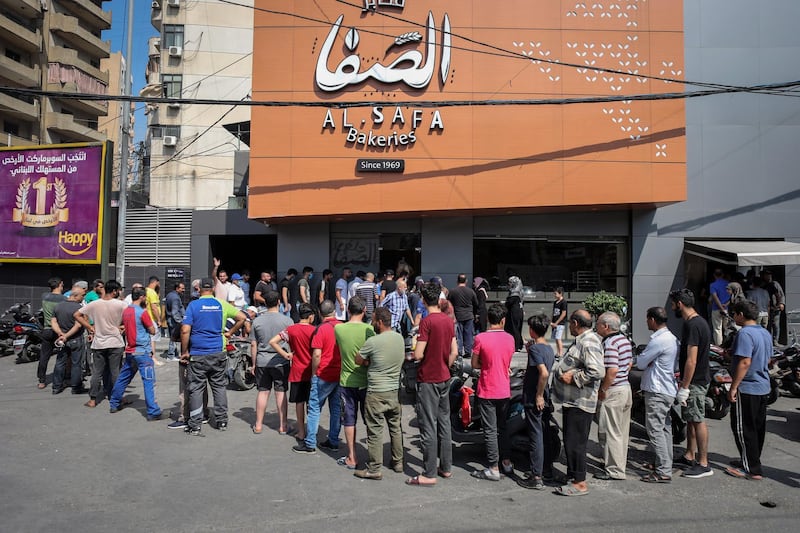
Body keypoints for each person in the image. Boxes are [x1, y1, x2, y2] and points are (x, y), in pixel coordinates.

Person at [406, 283, 458, 487]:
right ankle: (446, 467)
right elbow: (454, 350)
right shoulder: (448, 321)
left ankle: (428, 473)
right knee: (444, 423)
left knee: (428, 425)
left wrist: (412, 355)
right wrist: (446, 365)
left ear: (423, 300)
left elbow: (418, 354)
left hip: (428, 378)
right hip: (445, 377)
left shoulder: (427, 322)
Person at [181, 277, 246, 436]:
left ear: (199, 289)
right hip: (218, 351)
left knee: (196, 388)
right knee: (219, 387)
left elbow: (184, 330)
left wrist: (184, 351)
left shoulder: (193, 305)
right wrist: (230, 333)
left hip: (198, 353)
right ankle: (222, 420)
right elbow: (242, 318)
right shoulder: (221, 304)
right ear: (213, 290)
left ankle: (195, 424)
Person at [551, 309, 605, 496]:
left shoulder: (589, 341)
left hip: (581, 402)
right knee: (571, 441)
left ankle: (580, 482)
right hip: (572, 400)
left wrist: (575, 378)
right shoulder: (582, 340)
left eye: (570, 324)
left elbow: (597, 371)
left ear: (575, 323)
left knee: (576, 443)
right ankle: (572, 476)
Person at [353, 307, 405, 480]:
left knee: (374, 430)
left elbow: (358, 359)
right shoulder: (399, 338)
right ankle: (398, 462)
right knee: (395, 427)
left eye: (374, 320)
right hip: (394, 391)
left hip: (376, 392)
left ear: (380, 322)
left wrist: (369, 361)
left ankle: (374, 468)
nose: (372, 323)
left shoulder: (373, 342)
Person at [726, 300, 772, 480]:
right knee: (757, 428)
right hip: (763, 386)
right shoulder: (765, 332)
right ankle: (751, 461)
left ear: (741, 315)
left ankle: (751, 468)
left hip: (748, 387)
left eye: (735, 314)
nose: (734, 317)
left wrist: (733, 387)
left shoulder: (744, 333)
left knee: (743, 429)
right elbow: (768, 360)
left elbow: (745, 362)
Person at [670, 288, 714, 478]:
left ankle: (704, 463)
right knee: (690, 419)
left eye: (673, 304)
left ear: (679, 304)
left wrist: (685, 386)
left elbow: (692, 359)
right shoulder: (699, 321)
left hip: (695, 380)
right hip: (696, 378)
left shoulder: (693, 325)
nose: (672, 308)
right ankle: (689, 455)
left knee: (697, 420)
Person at [469, 304, 515, 481]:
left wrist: (486, 365)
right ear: (503, 320)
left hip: (487, 388)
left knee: (490, 429)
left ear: (488, 319)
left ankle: (493, 467)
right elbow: (506, 362)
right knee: (503, 428)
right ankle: (506, 462)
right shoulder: (510, 339)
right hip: (504, 389)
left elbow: (474, 364)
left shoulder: (480, 338)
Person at [108, 287, 167, 420]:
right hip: (142, 352)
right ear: (142, 297)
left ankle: (114, 403)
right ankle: (153, 411)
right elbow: (152, 330)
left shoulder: (126, 310)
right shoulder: (142, 313)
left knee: (123, 378)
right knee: (149, 382)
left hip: (130, 351)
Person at [636, 307, 679, 483]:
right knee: (664, 429)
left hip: (658, 390)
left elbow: (640, 362)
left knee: (655, 430)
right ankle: (665, 464)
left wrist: (647, 360)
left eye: (647, 319)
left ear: (653, 319)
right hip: (667, 388)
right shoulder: (672, 338)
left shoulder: (659, 340)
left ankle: (663, 471)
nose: (646, 322)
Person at [293, 301, 342, 454]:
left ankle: (310, 443)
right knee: (335, 409)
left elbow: (317, 354)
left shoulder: (321, 329)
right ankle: (333, 441)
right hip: (339, 374)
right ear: (334, 311)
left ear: (320, 314)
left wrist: (314, 373)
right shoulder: (342, 327)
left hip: (323, 374)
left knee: (314, 408)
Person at [334, 296, 375, 469]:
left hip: (346, 381)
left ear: (348, 310)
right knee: (371, 421)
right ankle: (374, 457)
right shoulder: (370, 330)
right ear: (365, 310)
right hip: (366, 381)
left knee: (349, 420)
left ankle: (352, 457)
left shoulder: (339, 329)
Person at [74, 280, 127, 408]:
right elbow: (131, 317)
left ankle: (93, 399)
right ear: (114, 291)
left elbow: (77, 314)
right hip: (116, 342)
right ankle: (117, 398)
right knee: (115, 372)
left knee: (97, 372)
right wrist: (123, 326)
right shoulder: (121, 304)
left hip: (99, 343)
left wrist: (89, 327)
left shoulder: (95, 304)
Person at [594, 311, 633, 481]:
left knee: (612, 432)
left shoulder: (610, 343)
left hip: (614, 391)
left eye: (598, 324)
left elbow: (612, 370)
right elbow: (629, 364)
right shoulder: (624, 340)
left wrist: (603, 389)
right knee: (622, 432)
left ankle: (615, 470)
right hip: (625, 388)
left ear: (606, 326)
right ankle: (617, 464)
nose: (596, 327)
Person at [518, 314, 556, 490]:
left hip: (535, 398)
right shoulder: (547, 348)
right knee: (543, 433)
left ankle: (536, 476)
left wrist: (538, 395)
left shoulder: (535, 350)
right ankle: (545, 470)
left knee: (536, 436)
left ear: (532, 330)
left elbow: (544, 373)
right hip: (544, 397)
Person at [249, 290, 294, 434]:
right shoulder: (287, 320)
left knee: (263, 392)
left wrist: (254, 364)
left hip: (262, 361)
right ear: (279, 302)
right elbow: (292, 342)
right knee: (280, 393)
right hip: (281, 361)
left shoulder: (257, 321)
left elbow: (253, 344)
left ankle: (258, 425)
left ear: (265, 303)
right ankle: (283, 426)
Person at [269, 303, 316, 442]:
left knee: (299, 402)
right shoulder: (314, 330)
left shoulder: (291, 330)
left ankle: (301, 432)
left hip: (297, 370)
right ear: (311, 316)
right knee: (312, 404)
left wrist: (286, 354)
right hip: (312, 370)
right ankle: (312, 432)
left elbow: (273, 341)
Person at [50, 284, 89, 395]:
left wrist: (60, 333)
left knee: (60, 362)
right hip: (75, 339)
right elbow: (78, 325)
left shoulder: (58, 306)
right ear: (76, 296)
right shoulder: (79, 308)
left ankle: (56, 386)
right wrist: (66, 335)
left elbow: (53, 321)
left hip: (62, 340)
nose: (83, 297)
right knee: (76, 364)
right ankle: (76, 387)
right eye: (82, 295)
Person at [37, 277, 66, 390]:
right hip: (59, 330)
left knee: (44, 356)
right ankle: (59, 380)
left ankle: (42, 381)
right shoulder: (64, 299)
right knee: (61, 356)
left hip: (47, 329)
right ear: (60, 285)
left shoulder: (44, 296)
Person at [448, 274, 479, 357]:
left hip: (457, 315)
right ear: (466, 281)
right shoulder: (471, 291)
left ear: (457, 281)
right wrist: (475, 314)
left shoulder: (453, 291)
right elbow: (476, 304)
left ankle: (459, 351)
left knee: (459, 334)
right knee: (468, 334)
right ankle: (468, 351)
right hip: (469, 315)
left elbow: (448, 304)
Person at [762, 270, 785, 344]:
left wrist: (781, 303)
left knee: (775, 324)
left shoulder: (775, 284)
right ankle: (769, 340)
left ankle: (775, 340)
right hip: (766, 307)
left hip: (775, 307)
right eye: (766, 275)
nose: (767, 276)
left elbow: (780, 294)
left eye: (768, 275)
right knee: (768, 325)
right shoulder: (763, 285)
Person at [164, 282, 185, 361]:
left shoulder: (169, 295)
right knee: (173, 338)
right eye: (182, 288)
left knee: (173, 337)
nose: (184, 290)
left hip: (169, 319)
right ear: (177, 288)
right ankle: (171, 356)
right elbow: (175, 312)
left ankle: (174, 355)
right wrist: (180, 321)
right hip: (174, 321)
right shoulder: (175, 298)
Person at [709, 269, 730, 346]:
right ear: (722, 275)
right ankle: (728, 344)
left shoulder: (713, 285)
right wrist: (726, 305)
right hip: (726, 309)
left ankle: (719, 347)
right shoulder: (728, 284)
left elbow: (715, 297)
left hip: (716, 309)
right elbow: (732, 297)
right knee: (727, 328)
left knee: (717, 329)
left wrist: (721, 308)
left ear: (714, 275)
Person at [504, 276, 524, 351]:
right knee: (518, 329)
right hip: (519, 311)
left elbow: (509, 303)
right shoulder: (520, 291)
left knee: (514, 329)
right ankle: (520, 344)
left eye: (510, 282)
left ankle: (516, 345)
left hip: (514, 312)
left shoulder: (514, 293)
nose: (509, 284)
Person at [550, 287, 568, 358]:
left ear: (560, 293)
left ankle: (560, 353)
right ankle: (558, 352)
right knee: (556, 338)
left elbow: (563, 313)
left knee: (558, 338)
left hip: (560, 323)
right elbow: (554, 313)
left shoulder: (563, 302)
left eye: (556, 293)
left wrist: (556, 323)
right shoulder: (555, 302)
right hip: (555, 323)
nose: (554, 295)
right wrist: (552, 321)